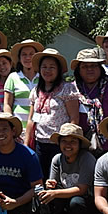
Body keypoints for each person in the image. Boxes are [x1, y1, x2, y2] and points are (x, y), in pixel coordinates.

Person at [38, 123, 98, 214]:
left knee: (76, 202)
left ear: (80, 144)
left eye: (73, 141)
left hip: (86, 204)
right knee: (46, 199)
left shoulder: (87, 159)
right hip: (65, 201)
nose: (68, 145)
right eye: (64, 141)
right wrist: (50, 186)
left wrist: (55, 193)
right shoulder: (57, 159)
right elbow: (53, 186)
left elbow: (81, 189)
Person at [24, 48, 80, 176]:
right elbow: (31, 119)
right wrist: (27, 143)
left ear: (58, 69)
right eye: (44, 67)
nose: (47, 70)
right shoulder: (36, 91)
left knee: (57, 177)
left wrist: (69, 143)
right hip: (40, 143)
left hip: (60, 144)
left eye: (51, 67)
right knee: (39, 176)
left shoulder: (67, 89)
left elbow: (74, 118)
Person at [71, 48, 108, 155]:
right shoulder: (72, 89)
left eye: (93, 66)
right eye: (85, 66)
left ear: (100, 68)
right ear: (78, 70)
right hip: (80, 147)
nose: (89, 69)